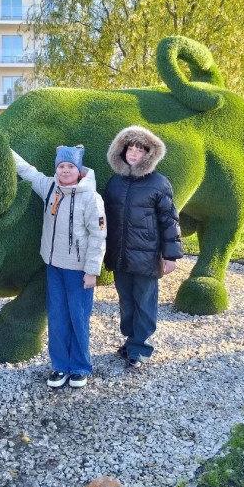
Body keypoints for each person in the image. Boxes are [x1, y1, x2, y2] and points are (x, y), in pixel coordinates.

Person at [0, 143, 106, 388]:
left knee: (78, 318)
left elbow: (98, 236)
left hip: (79, 270)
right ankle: (59, 367)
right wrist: (0, 150)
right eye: (61, 166)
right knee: (57, 318)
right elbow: (28, 171)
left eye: (70, 166)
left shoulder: (91, 198)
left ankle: (79, 367)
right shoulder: (50, 188)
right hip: (54, 267)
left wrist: (92, 271)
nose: (65, 170)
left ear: (79, 170)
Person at [103, 126, 183, 373]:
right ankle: (130, 341)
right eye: (130, 147)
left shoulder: (159, 183)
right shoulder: (114, 182)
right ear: (122, 150)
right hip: (119, 255)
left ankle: (140, 348)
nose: (134, 152)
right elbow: (104, 217)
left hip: (147, 257)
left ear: (149, 154)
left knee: (145, 303)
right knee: (126, 302)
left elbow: (169, 220)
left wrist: (170, 255)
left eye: (140, 148)